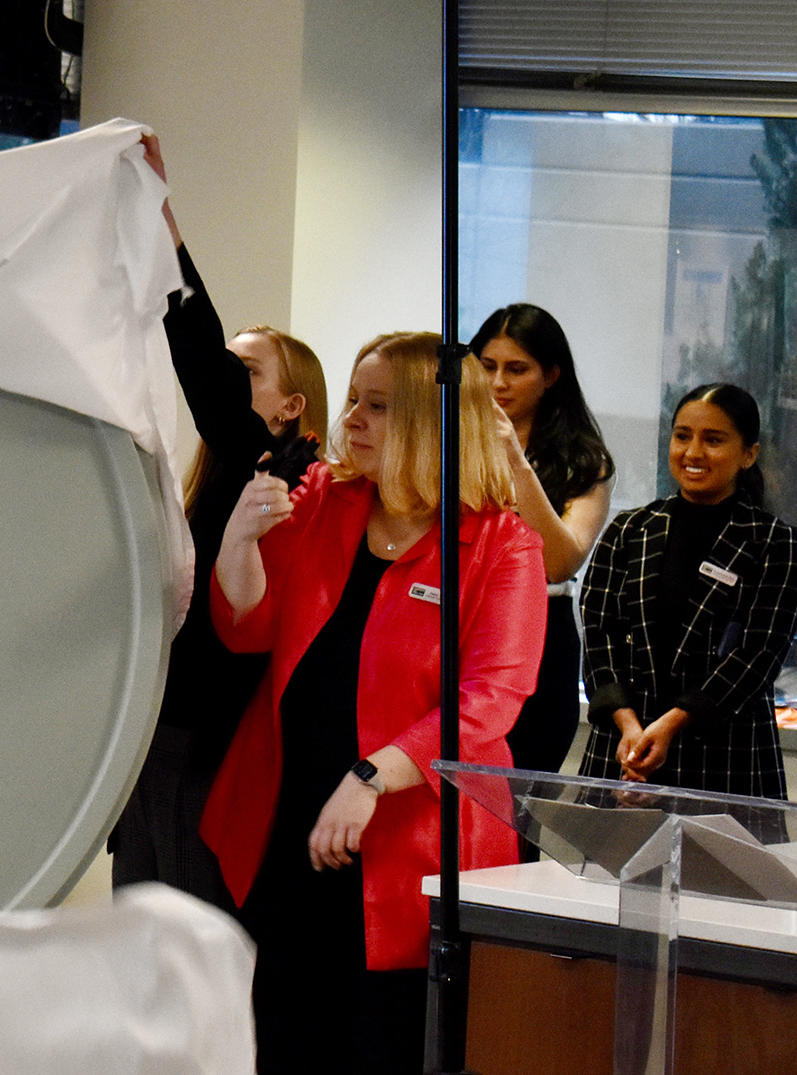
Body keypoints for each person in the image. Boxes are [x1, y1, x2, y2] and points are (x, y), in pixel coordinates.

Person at [200, 332, 546, 1074]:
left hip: (412, 848)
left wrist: (370, 777)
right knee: (278, 1040)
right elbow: (249, 628)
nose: (351, 418)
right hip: (287, 830)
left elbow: (490, 699)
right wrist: (237, 544)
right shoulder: (325, 500)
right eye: (355, 398)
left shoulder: (501, 545)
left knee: (380, 1044)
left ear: (431, 421)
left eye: (378, 405)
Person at [109, 135, 326, 912]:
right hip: (160, 734)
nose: (228, 381)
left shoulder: (278, 468)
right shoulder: (214, 477)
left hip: (212, 742)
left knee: (186, 936)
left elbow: (199, 360)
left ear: (291, 405)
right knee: (138, 935)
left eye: (249, 372)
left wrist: (163, 228)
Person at [578, 384, 797, 798]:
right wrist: (629, 725)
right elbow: (598, 634)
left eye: (713, 440)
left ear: (748, 454)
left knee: (721, 865)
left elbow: (758, 656)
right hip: (625, 750)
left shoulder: (775, 543)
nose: (693, 453)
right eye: (682, 436)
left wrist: (673, 723)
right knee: (616, 863)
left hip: (727, 757)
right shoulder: (629, 530)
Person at [469, 305, 613, 779]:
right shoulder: (449, 440)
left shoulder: (584, 460)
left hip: (540, 629)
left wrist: (514, 459)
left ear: (551, 375)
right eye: (487, 366)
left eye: (516, 369)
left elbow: (560, 561)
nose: (498, 383)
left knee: (518, 802)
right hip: (456, 617)